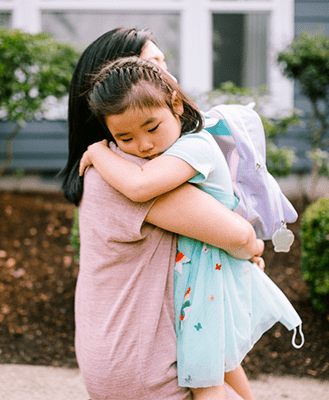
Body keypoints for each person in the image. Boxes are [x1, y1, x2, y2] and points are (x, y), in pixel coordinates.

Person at [79, 56, 303, 400]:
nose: (143, 146)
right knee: (214, 366)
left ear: (176, 105)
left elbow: (139, 186)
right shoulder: (166, 149)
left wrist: (98, 152)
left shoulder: (194, 146)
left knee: (205, 379)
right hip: (198, 272)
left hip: (206, 274)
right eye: (124, 138)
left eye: (152, 128)